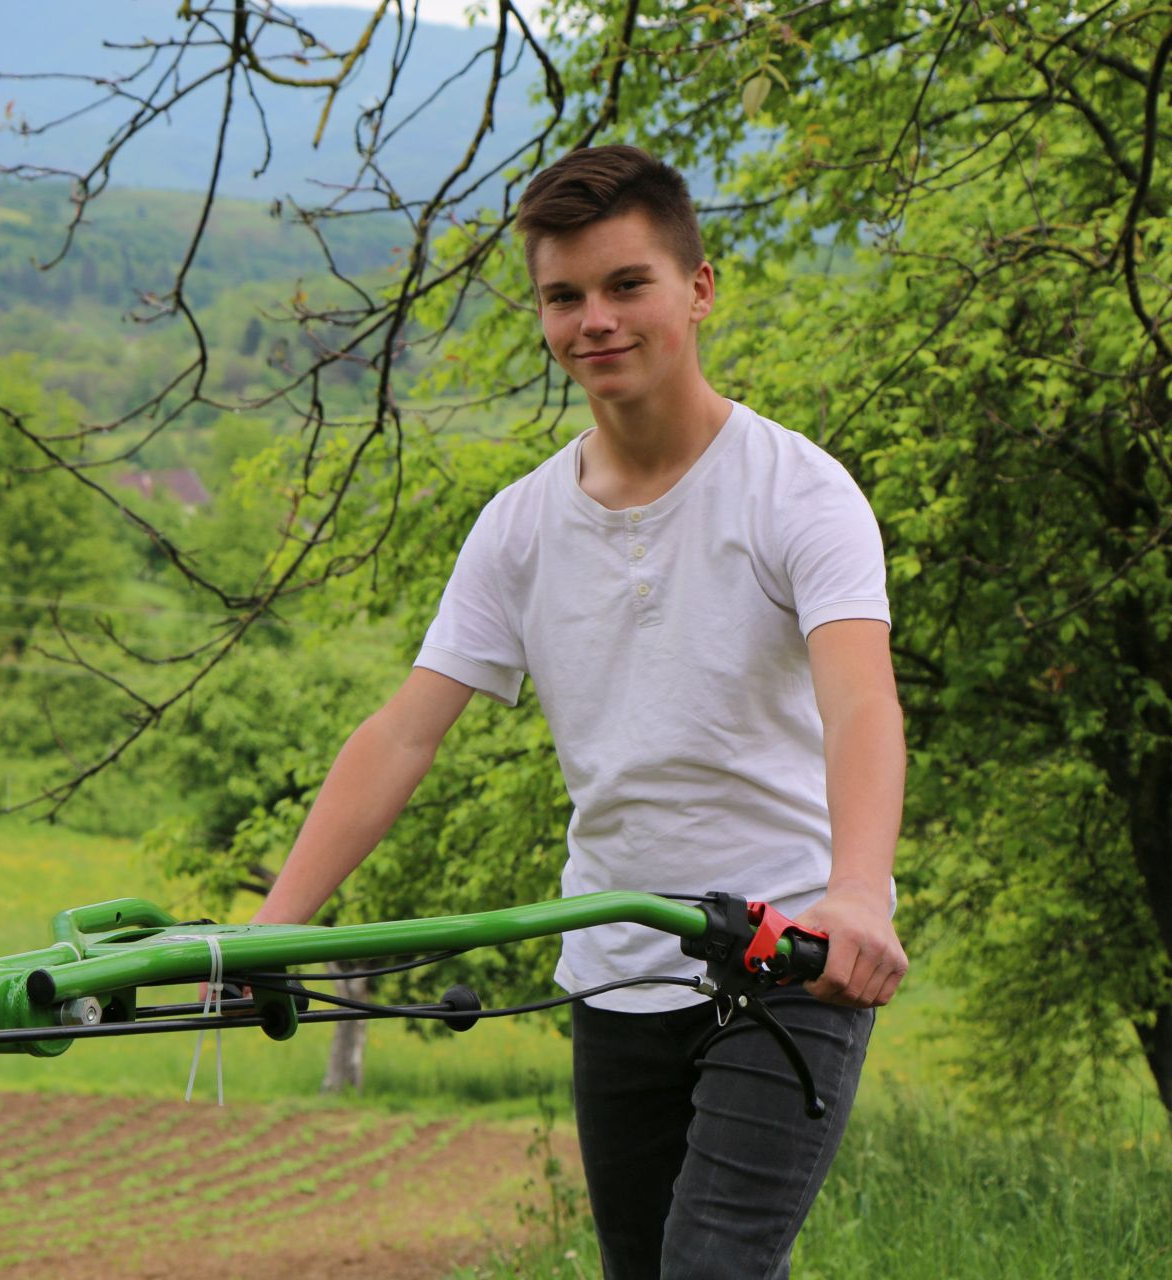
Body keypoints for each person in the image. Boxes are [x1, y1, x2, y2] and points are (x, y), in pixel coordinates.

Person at [249, 145, 909, 1279]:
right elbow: (409, 729)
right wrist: (274, 925)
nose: (594, 320)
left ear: (698, 290)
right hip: (612, 963)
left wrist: (855, 889)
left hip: (786, 951)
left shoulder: (799, 491)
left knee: (711, 1267)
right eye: (564, 296)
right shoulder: (518, 526)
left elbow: (861, 704)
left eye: (625, 285)